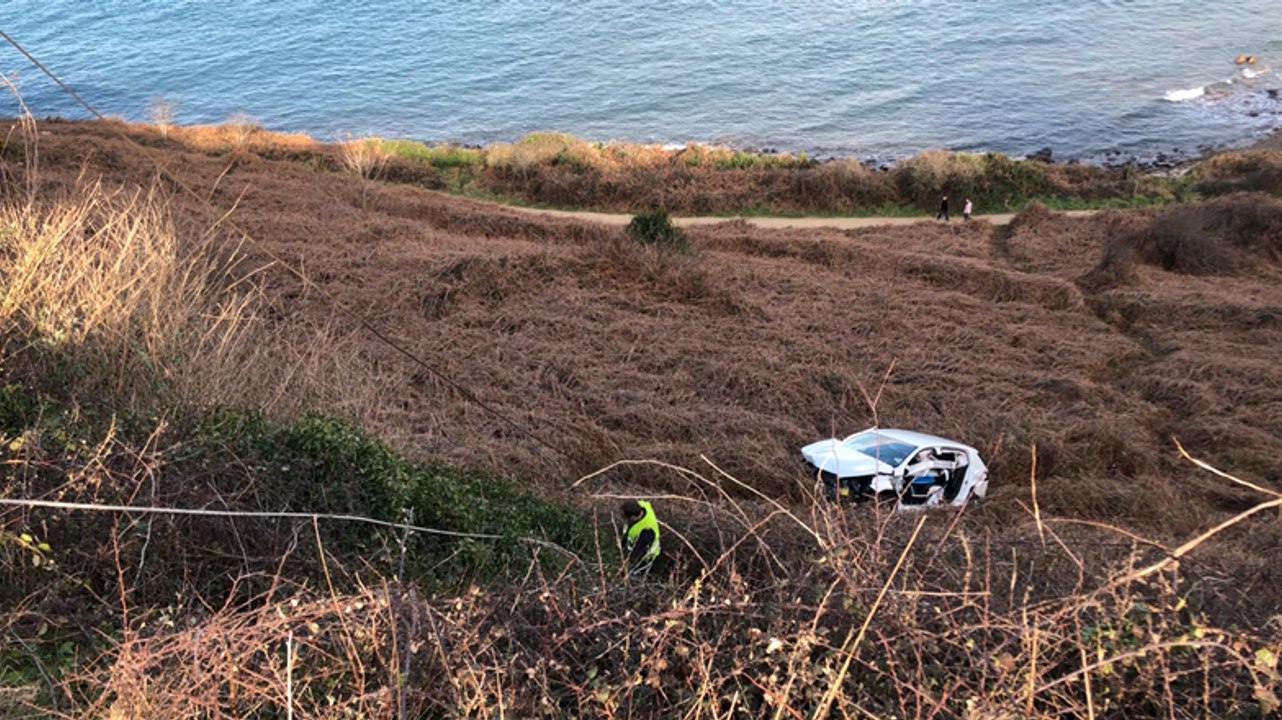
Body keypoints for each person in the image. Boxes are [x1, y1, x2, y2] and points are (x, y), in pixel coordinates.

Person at [620, 499, 661, 577]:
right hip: (636, 548)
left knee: (634, 575)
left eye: (626, 518)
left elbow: (636, 554)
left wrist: (625, 566)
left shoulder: (646, 532)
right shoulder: (642, 506)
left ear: (633, 517)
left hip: (646, 558)